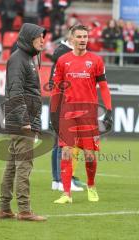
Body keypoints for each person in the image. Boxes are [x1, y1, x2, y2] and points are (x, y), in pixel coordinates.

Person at [50, 25, 112, 204]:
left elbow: (104, 87)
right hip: (68, 113)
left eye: (85, 36)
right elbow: (56, 89)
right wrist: (53, 113)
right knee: (67, 152)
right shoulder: (62, 60)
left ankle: (91, 186)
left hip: (89, 114)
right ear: (72, 38)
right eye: (79, 36)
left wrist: (108, 109)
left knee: (90, 155)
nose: (83, 39)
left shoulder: (96, 60)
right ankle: (66, 193)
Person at [0, 23, 47, 221]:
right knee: (24, 166)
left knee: (11, 166)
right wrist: (26, 120)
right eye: (40, 37)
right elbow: (16, 91)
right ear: (29, 38)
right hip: (22, 122)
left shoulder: (26, 58)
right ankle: (25, 210)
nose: (43, 40)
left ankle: (4, 208)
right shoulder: (19, 59)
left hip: (21, 120)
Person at [49, 28, 85, 191]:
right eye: (79, 37)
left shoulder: (60, 54)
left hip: (58, 104)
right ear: (72, 38)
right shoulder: (65, 56)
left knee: (59, 144)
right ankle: (64, 181)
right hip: (65, 105)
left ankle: (57, 180)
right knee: (65, 144)